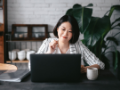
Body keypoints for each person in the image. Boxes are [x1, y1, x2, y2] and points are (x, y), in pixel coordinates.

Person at [37, 15, 105, 73]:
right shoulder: (47, 43)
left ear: (73, 34)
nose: (65, 34)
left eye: (70, 31)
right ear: (57, 29)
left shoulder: (78, 45)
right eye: (63, 29)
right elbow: (33, 66)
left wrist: (85, 69)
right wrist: (49, 52)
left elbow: (100, 64)